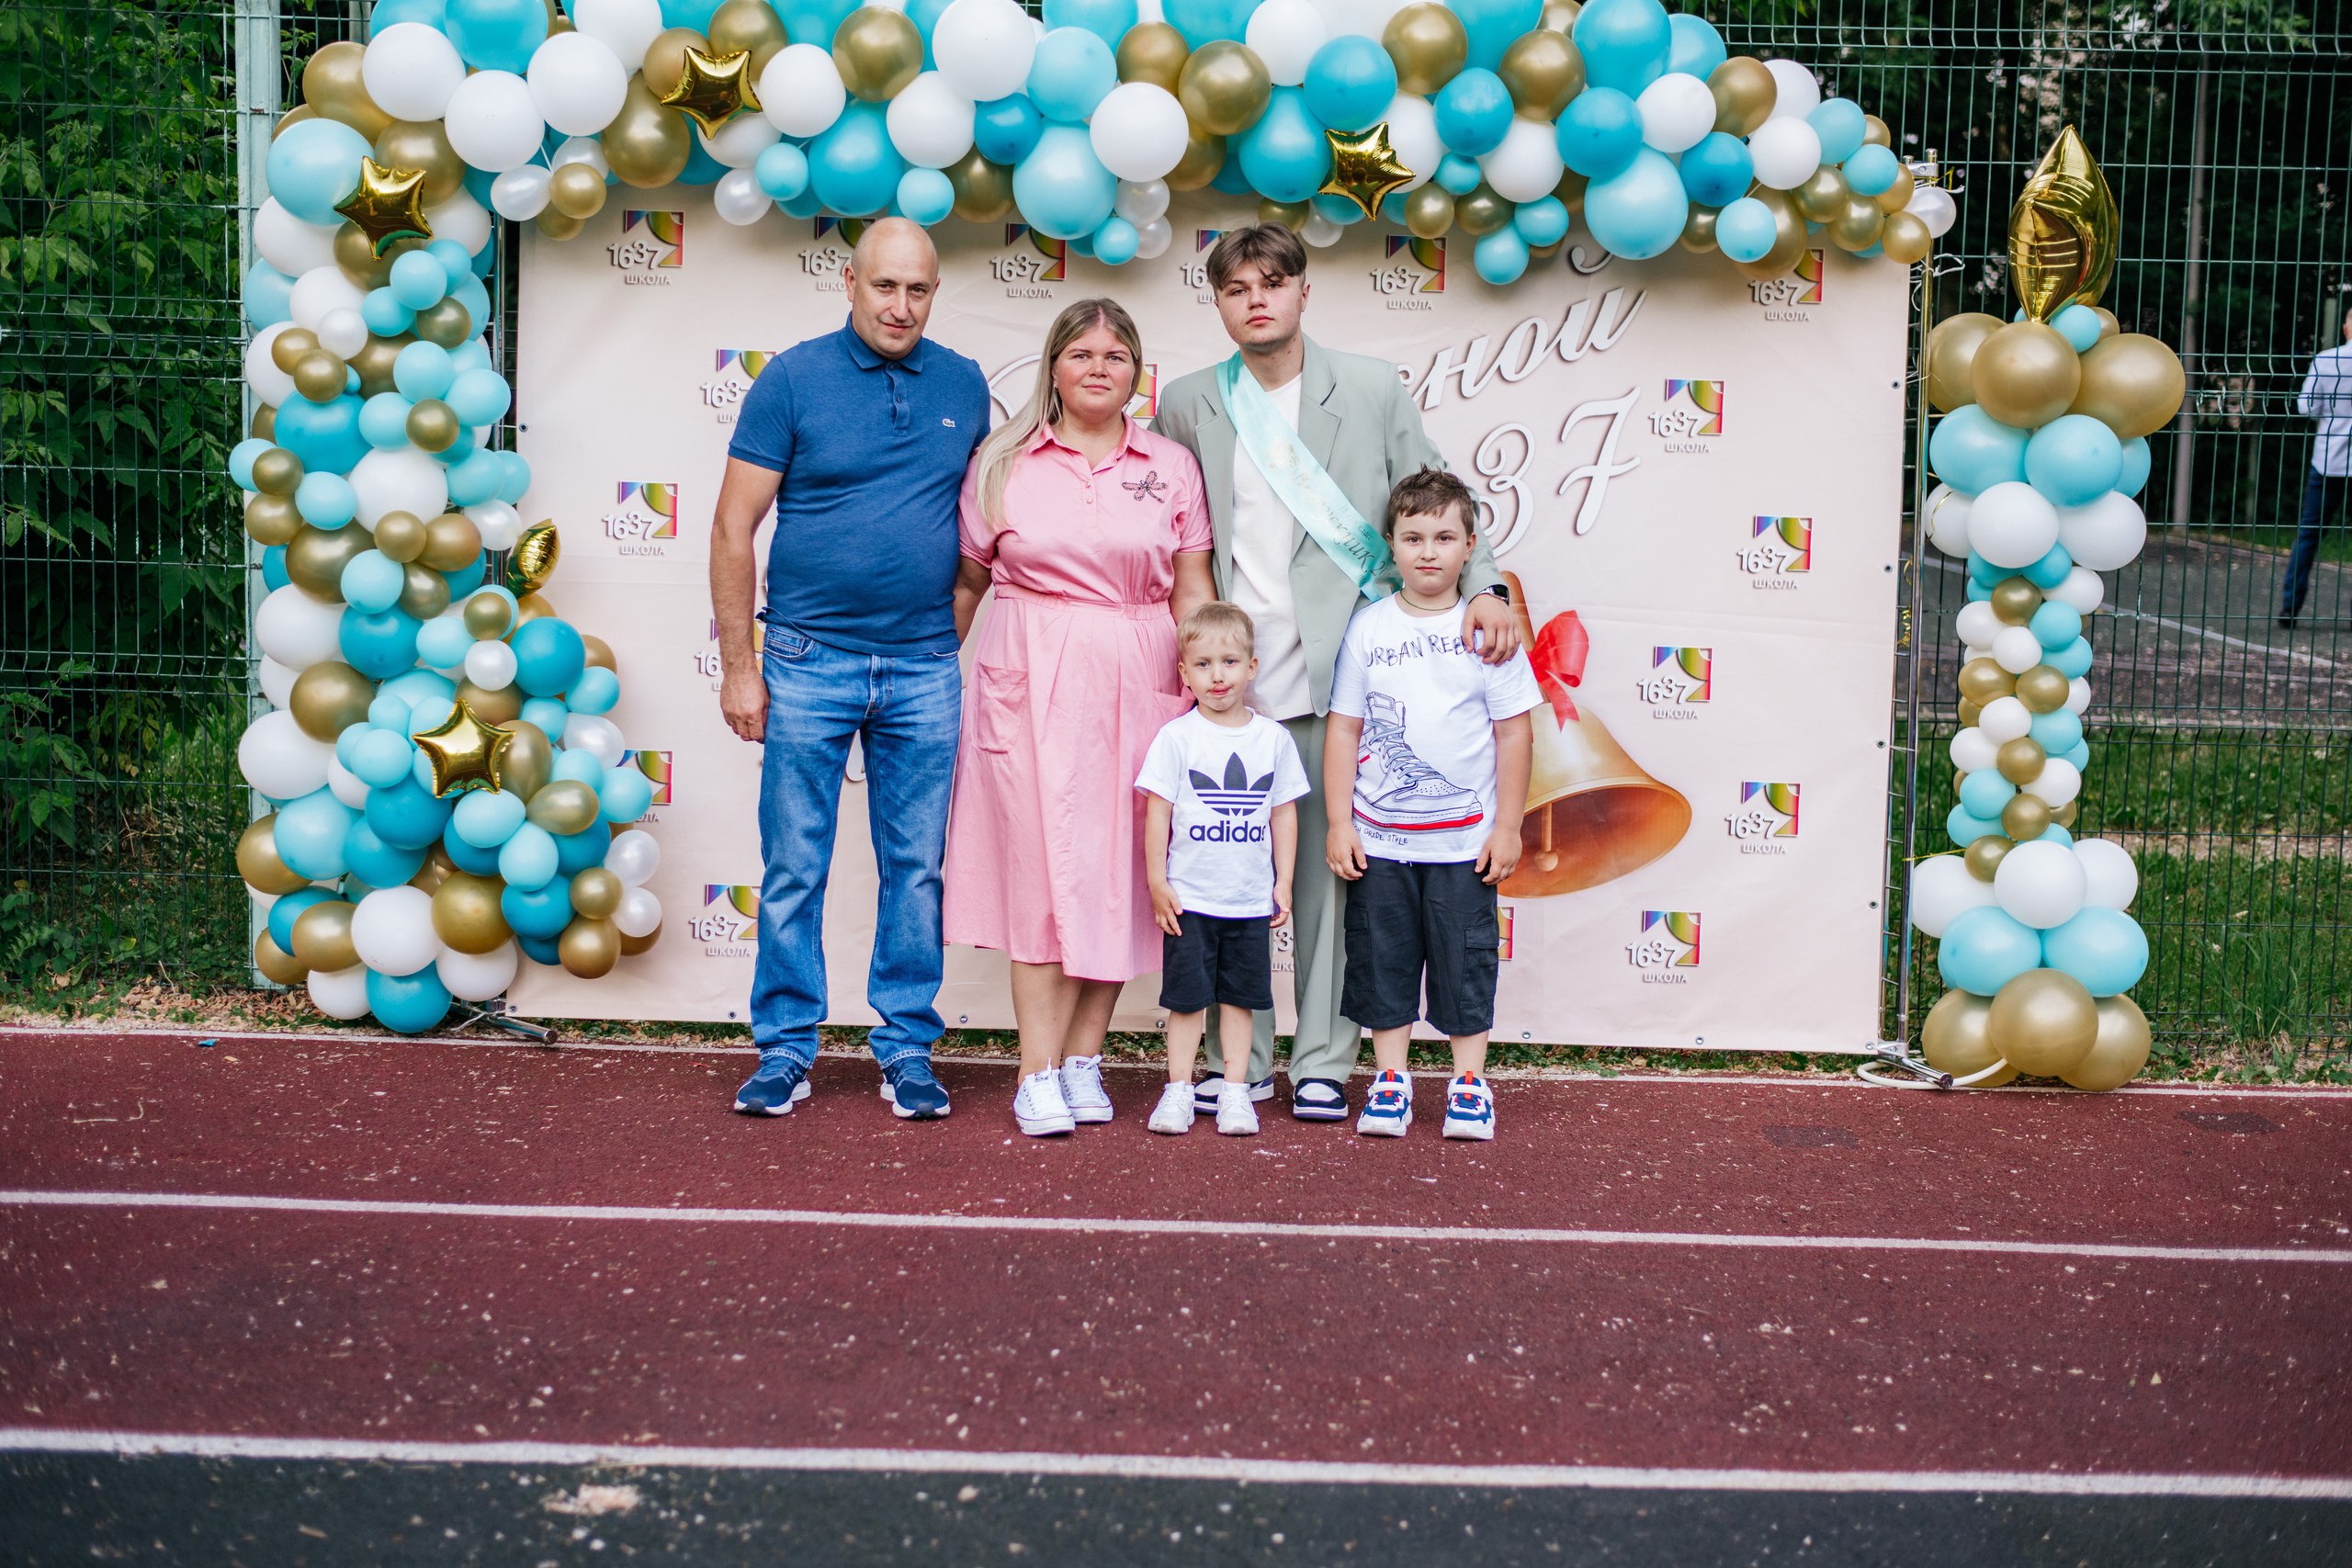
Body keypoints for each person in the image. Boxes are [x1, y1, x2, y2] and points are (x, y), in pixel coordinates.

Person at [1150, 222, 1521, 1124]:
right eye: (1237, 288)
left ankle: (1321, 1057)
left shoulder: (1370, 386)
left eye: (1273, 283)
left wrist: (1487, 587)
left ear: (1303, 291)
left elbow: (1438, 494)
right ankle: (1239, 1062)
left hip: (1338, 676)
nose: (1257, 301)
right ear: (1218, 303)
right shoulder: (1190, 402)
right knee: (1232, 877)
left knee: (1329, 879)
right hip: (1233, 680)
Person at [709, 219, 989, 1122]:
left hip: (922, 666)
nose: (900, 306)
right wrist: (741, 668)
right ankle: (786, 1047)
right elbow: (732, 529)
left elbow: (979, 527)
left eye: (919, 289)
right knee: (795, 863)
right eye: (885, 286)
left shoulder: (964, 383)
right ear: (850, 283)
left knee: (917, 868)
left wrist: (941, 635)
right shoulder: (791, 379)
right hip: (805, 658)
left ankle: (906, 1046)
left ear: (934, 293)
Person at [944, 298, 1216, 1137]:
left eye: (1116, 355)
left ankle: (1083, 1059)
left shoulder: (1170, 464)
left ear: (1138, 373)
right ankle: (1035, 1071)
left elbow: (1193, 589)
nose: (1100, 367)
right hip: (1026, 669)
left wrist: (1205, 694)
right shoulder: (1002, 461)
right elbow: (968, 582)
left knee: (1120, 873)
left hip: (1141, 671)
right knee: (1038, 873)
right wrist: (932, 676)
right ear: (1054, 367)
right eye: (1082, 353)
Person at [1324, 468, 1538, 1141]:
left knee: (1464, 964)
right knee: (1382, 960)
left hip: (1463, 844)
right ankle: (1391, 1079)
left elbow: (1515, 733)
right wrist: (1339, 821)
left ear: (1470, 546)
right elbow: (1345, 729)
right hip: (1380, 842)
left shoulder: (1489, 631)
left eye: (1444, 537)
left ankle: (1469, 1083)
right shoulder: (1368, 628)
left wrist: (1508, 827)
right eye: (1413, 537)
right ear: (1390, 544)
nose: (1428, 551)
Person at [1136, 603, 1311, 1137]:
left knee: (1240, 1001)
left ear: (1252, 667)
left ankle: (1236, 1091)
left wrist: (1283, 881)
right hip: (1190, 901)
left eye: (1230, 662)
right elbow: (1157, 813)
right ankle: (1178, 1090)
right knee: (1186, 1002)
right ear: (1184, 673)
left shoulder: (1273, 739)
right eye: (1204, 664)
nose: (1218, 675)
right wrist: (1157, 881)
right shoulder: (1176, 737)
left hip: (1248, 902)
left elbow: (1284, 814)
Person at [2281, 314, 2352, 628]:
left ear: (2346, 328)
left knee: (2309, 534)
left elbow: (2307, 407)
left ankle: (2290, 607)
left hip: (2328, 460)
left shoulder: (2326, 360)